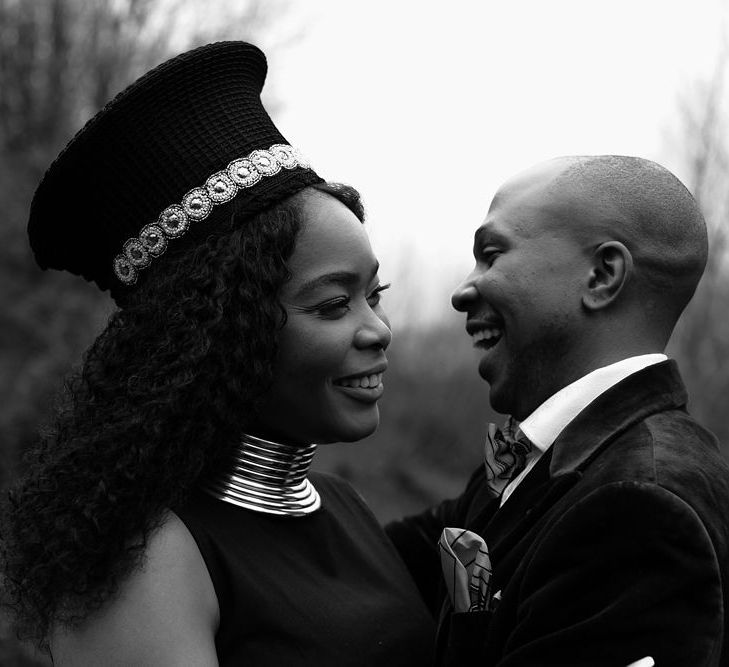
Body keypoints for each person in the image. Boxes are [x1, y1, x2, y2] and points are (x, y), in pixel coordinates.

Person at [0, 41, 435, 666]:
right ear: (223, 332)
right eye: (333, 305)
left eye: (375, 295)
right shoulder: (144, 562)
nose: (379, 329)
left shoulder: (345, 508)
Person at [386, 155, 729, 666]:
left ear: (601, 275)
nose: (462, 291)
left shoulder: (639, 507)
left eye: (492, 254)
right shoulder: (544, 459)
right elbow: (373, 556)